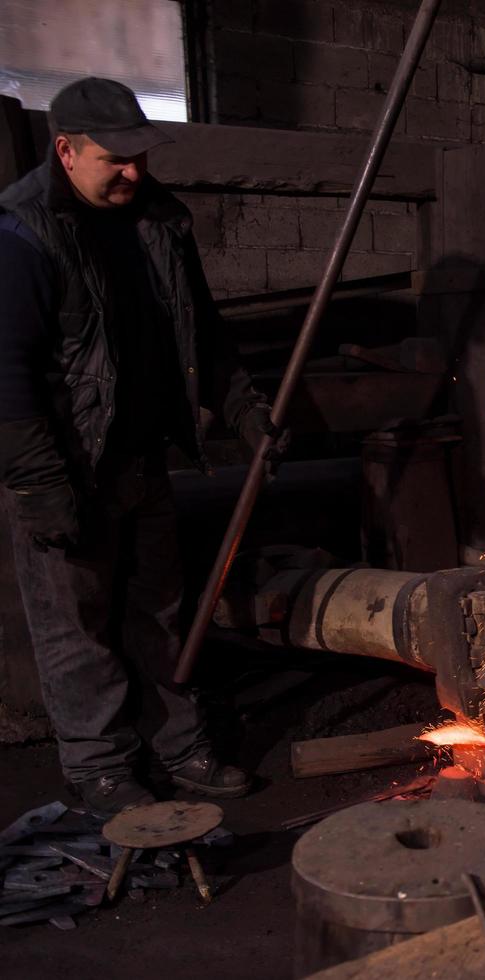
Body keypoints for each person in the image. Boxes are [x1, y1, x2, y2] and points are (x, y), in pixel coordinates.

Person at [0, 78, 284, 813]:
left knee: (159, 612)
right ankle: (100, 767)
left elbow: (202, 333)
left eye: (139, 156)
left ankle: (179, 747)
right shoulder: (23, 235)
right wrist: (37, 485)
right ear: (64, 150)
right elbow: (5, 374)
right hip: (68, 468)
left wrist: (246, 410)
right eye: (114, 160)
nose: (133, 172)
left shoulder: (159, 222)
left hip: (141, 459)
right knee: (76, 630)